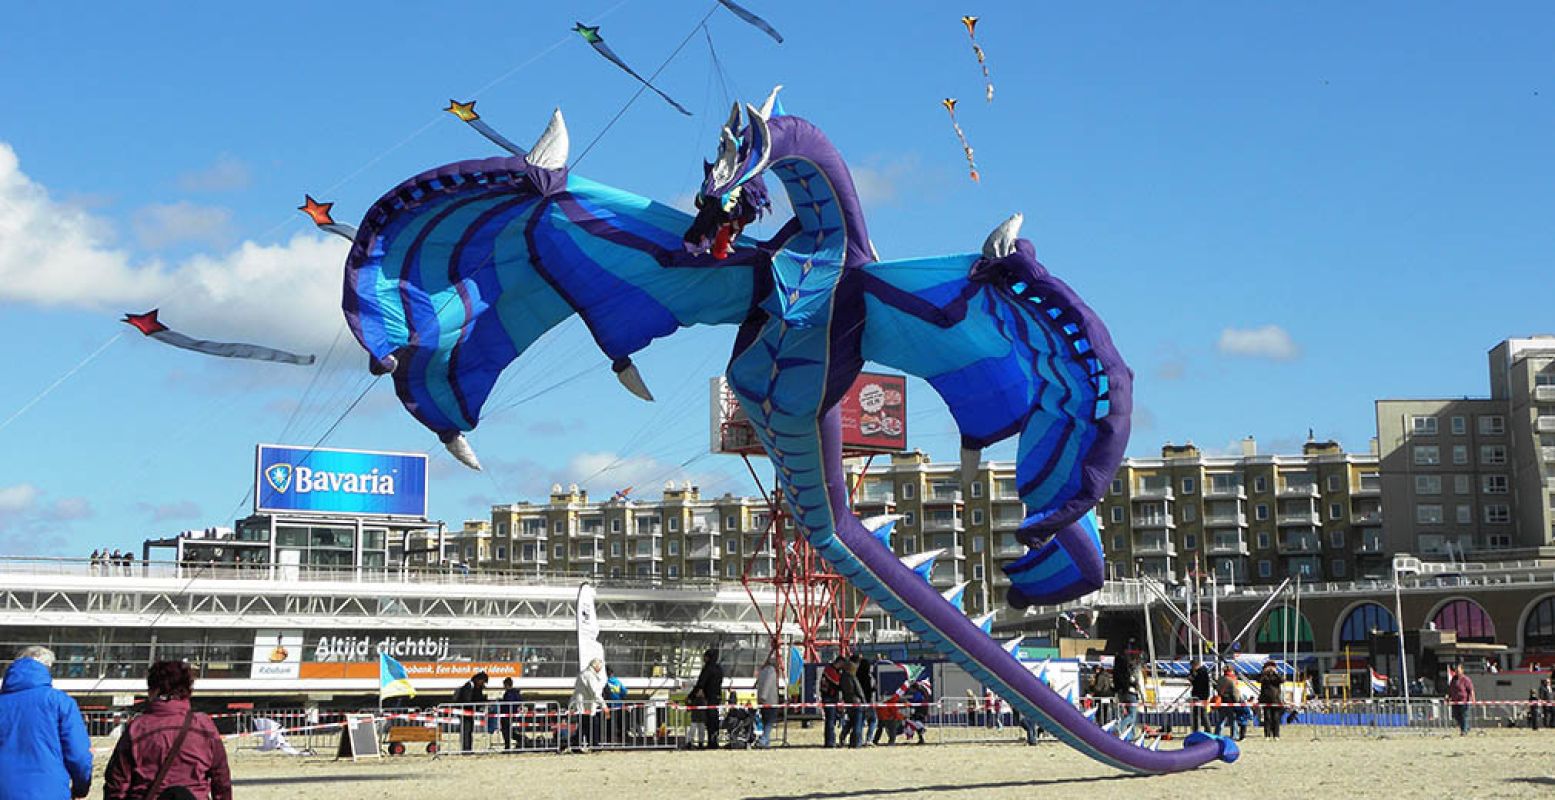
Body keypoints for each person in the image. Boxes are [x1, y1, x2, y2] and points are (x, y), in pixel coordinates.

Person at [104, 660, 231, 800]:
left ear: (154, 690)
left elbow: (117, 783)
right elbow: (221, 780)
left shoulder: (137, 728)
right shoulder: (204, 726)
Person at [0, 646, 92, 800]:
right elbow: (79, 754)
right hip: (50, 791)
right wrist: (81, 788)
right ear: (47, 668)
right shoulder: (60, 702)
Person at [569, 659, 606, 751]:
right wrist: (603, 705)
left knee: (584, 726)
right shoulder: (590, 676)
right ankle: (593, 744)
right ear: (595, 666)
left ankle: (577, 744)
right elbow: (594, 692)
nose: (601, 669)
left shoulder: (583, 674)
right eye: (600, 666)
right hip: (586, 705)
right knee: (590, 725)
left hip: (582, 704)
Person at [691, 648, 724, 749]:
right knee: (715, 720)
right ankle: (714, 741)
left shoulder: (708, 669)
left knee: (709, 721)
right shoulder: (719, 669)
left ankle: (711, 742)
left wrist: (691, 696)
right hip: (717, 696)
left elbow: (701, 684)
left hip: (709, 698)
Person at [453, 670, 489, 753]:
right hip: (464, 712)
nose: (483, 684)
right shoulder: (469, 686)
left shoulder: (476, 687)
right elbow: (467, 700)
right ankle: (466, 749)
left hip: (470, 712)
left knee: (469, 730)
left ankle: (468, 748)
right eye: (483, 682)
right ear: (478, 680)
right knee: (466, 730)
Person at [1214, 666, 1247, 741]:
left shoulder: (1220, 679)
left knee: (1221, 719)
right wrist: (1237, 701)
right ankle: (1234, 735)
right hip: (1230, 702)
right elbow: (1235, 692)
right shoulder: (1232, 679)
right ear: (1231, 671)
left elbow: (1217, 688)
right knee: (1233, 720)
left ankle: (1217, 734)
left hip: (1221, 701)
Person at [1112, 650, 1140, 739]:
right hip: (1130, 693)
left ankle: (1130, 735)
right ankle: (1119, 728)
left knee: (1127, 714)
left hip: (1121, 693)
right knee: (1132, 715)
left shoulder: (1115, 671)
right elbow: (1132, 681)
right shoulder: (1127, 670)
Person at [839, 658, 865, 748]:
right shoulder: (853, 677)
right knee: (858, 724)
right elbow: (859, 691)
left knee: (850, 722)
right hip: (857, 702)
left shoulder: (842, 678)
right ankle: (856, 743)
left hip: (848, 702)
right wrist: (864, 702)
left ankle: (843, 736)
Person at [754, 654, 779, 748]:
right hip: (770, 701)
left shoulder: (762, 671)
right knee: (770, 722)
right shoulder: (771, 672)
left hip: (762, 701)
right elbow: (767, 685)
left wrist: (760, 698)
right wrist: (764, 696)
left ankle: (766, 741)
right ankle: (763, 740)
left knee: (765, 721)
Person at [819, 655, 844, 748]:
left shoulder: (831, 670)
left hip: (832, 697)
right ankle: (830, 742)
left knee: (831, 721)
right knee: (830, 721)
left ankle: (830, 740)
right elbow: (837, 682)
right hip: (829, 698)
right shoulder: (830, 670)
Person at [854, 655, 878, 745]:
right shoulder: (869, 677)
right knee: (873, 720)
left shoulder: (856, 677)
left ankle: (858, 740)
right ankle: (869, 739)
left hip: (858, 702)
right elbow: (871, 689)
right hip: (868, 701)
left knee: (860, 721)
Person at [1257, 661, 1283, 739]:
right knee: (1267, 718)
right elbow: (1258, 680)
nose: (1270, 669)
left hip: (1276, 700)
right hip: (1266, 700)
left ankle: (1276, 735)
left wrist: (1276, 673)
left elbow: (1282, 680)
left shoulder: (1277, 676)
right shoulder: (1264, 676)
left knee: (1276, 718)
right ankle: (1267, 735)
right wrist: (1264, 673)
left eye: (1272, 667)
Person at [1447, 663, 1475, 736]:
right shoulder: (1453, 679)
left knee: (1464, 716)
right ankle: (1466, 727)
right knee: (1456, 716)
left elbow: (1471, 690)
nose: (1457, 671)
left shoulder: (1466, 679)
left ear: (1462, 670)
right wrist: (1448, 697)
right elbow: (1450, 690)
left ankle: (1464, 731)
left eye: (1458, 670)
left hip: (1464, 702)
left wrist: (1473, 699)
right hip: (1455, 702)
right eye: (1456, 670)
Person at [603, 666, 628, 745]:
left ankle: (610, 740)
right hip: (619, 706)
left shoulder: (604, 682)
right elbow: (624, 692)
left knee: (609, 724)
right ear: (612, 673)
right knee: (620, 724)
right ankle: (623, 740)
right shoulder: (618, 681)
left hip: (609, 707)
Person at [498, 677, 523, 751]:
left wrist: (500, 702)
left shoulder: (509, 693)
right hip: (513, 714)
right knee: (509, 731)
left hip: (507, 714)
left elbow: (507, 704)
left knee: (506, 731)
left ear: (506, 685)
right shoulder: (516, 693)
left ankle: (508, 746)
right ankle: (520, 739)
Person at [1189, 659, 1212, 732]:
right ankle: (1197, 730)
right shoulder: (1202, 672)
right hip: (1200, 695)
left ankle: (1207, 730)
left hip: (1201, 696)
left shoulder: (1202, 673)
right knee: (1197, 714)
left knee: (1202, 714)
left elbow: (1199, 684)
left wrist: (1192, 679)